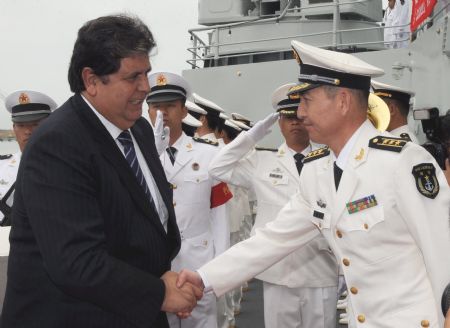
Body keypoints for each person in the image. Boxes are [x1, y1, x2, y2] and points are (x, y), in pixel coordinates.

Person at [178, 40, 450, 327]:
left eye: (307, 101)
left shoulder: (402, 162)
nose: (301, 113)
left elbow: (442, 247)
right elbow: (273, 239)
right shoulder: (317, 170)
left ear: (343, 101)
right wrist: (203, 277)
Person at [1, 15, 202, 328]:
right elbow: (75, 262)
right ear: (91, 80)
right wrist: (157, 292)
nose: (145, 87)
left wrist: (159, 278)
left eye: (146, 73)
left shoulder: (139, 130)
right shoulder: (58, 143)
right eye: (133, 77)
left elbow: (144, 221)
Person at [208, 83, 338, 328]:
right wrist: (252, 136)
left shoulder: (330, 160)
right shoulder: (261, 160)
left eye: (299, 116)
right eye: (287, 117)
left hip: (320, 266)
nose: (294, 123)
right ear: (278, 123)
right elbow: (217, 167)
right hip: (278, 270)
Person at [147, 71, 232, 328]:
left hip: (200, 263)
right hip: (156, 269)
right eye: (155, 107)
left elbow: (220, 217)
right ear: (147, 112)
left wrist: (220, 270)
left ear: (184, 111)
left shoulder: (210, 156)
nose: (163, 114)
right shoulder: (138, 159)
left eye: (170, 106)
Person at [0, 90, 57, 311]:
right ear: (14, 129)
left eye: (36, 123)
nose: (29, 131)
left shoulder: (68, 168)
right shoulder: (3, 167)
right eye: (22, 125)